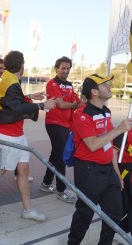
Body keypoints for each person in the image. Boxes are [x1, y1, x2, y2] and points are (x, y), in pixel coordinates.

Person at [0, 50, 55, 220]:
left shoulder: (10, 80)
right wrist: (41, 105)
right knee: (0, 171)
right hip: (6, 133)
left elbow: (11, 102)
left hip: (16, 133)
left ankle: (28, 210)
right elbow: (15, 108)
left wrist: (30, 97)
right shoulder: (11, 81)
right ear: (22, 66)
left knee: (23, 170)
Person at [68, 74, 132, 244]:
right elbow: (93, 144)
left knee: (114, 213)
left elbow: (109, 144)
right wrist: (119, 130)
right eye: (105, 84)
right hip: (89, 171)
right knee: (85, 214)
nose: (109, 86)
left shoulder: (106, 111)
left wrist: (117, 173)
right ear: (94, 92)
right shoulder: (82, 114)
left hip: (108, 170)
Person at [39, 56, 82, 203]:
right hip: (54, 123)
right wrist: (71, 103)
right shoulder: (52, 83)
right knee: (61, 155)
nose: (65, 70)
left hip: (66, 124)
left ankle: (46, 183)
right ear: (56, 68)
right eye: (63, 68)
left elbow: (78, 101)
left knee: (55, 154)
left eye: (68, 68)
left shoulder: (69, 85)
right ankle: (61, 190)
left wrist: (69, 103)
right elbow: (63, 105)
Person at [113, 106, 132, 242]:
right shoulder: (126, 130)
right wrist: (117, 174)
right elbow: (113, 153)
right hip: (128, 172)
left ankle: (122, 229)